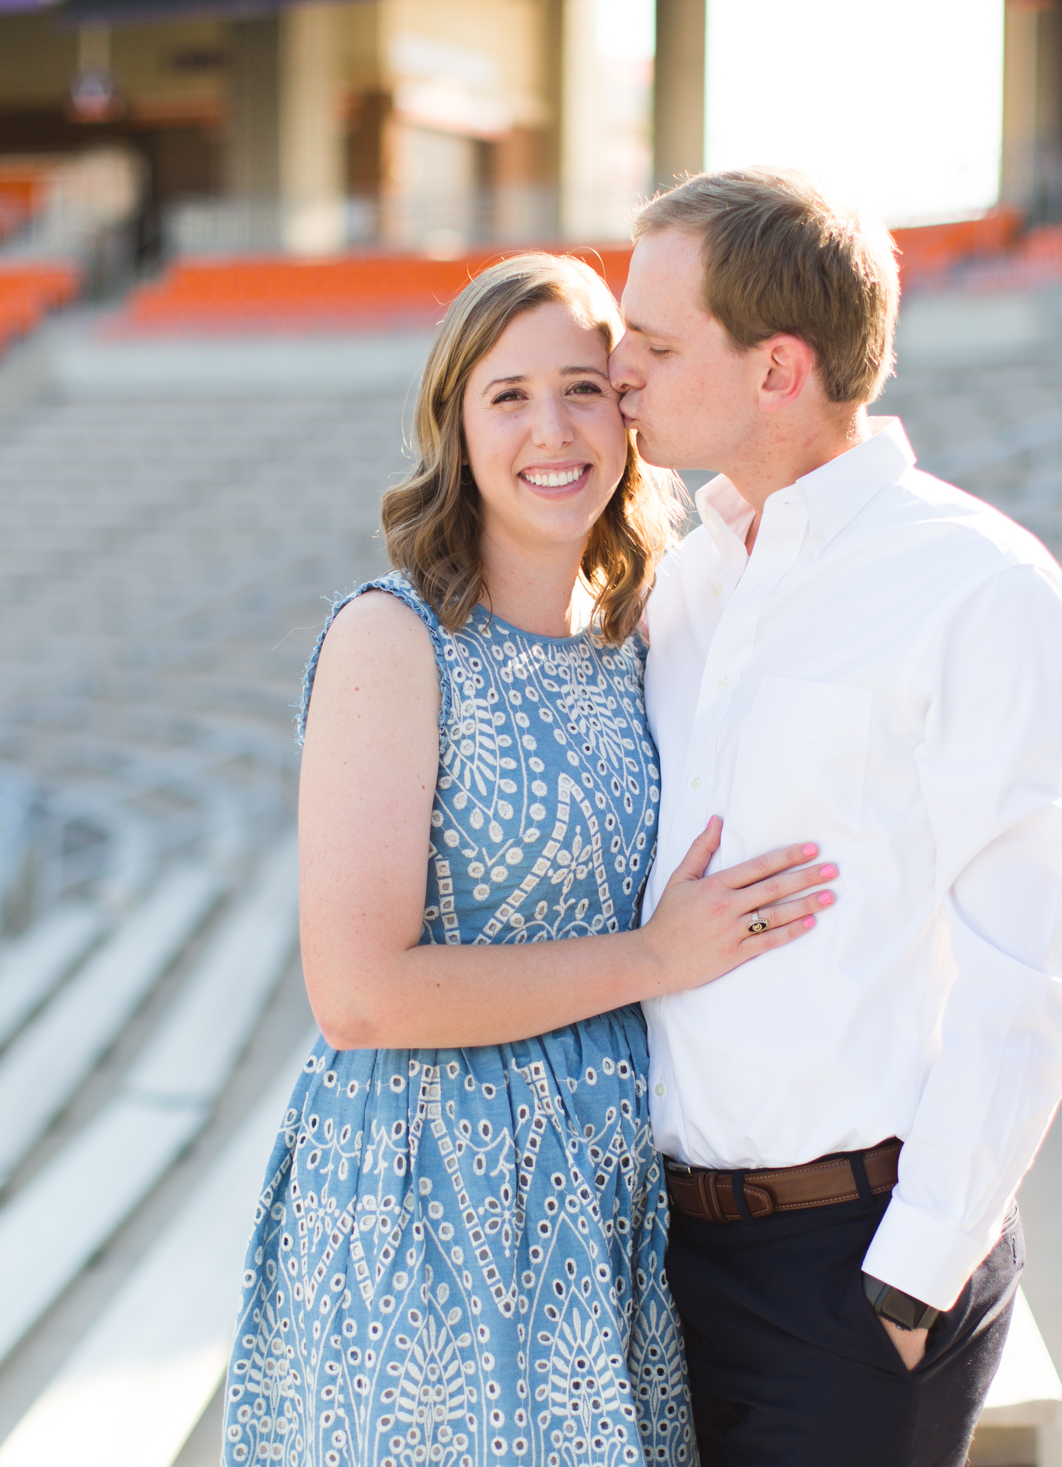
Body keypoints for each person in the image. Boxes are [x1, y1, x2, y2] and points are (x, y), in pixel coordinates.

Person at [224, 251, 838, 1466]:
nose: (551, 430)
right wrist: (657, 956)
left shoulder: (640, 639)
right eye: (507, 395)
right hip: (427, 1197)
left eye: (583, 387)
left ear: (629, 410)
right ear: (454, 422)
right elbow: (357, 994)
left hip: (607, 1202)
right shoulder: (391, 642)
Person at [607, 168, 1062, 1467]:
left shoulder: (978, 587)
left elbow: (1032, 967)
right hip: (663, 1253)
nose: (619, 368)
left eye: (655, 344)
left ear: (778, 368)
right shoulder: (689, 580)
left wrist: (910, 1278)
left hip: (853, 1265)